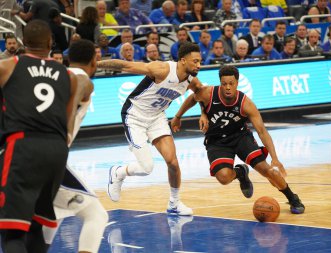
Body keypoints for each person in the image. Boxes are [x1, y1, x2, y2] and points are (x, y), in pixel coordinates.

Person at [171, 65, 305, 214]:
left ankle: (292, 197)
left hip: (240, 137)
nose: (227, 87)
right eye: (224, 84)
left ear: (237, 83)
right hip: (217, 141)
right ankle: (240, 173)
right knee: (223, 178)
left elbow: (262, 131)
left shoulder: (245, 103)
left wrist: (275, 158)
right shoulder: (209, 93)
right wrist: (178, 117)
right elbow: (194, 98)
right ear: (220, 83)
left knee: (269, 172)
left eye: (231, 84)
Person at [97, 42, 205, 215]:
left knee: (173, 162)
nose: (199, 65)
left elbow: (201, 93)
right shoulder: (162, 70)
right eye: (195, 61)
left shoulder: (191, 80)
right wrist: (96, 64)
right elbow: (127, 65)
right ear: (183, 60)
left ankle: (174, 203)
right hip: (134, 116)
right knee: (146, 168)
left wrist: (198, 114)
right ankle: (118, 172)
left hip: (157, 118)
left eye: (200, 61)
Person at [0, 19, 79, 253]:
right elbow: (68, 126)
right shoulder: (69, 76)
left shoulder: (8, 66)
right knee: (36, 226)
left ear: (24, 42)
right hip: (56, 150)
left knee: (12, 232)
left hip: (23, 145)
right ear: (50, 42)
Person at [43, 39, 108, 253]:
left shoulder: (55, 76)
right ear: (94, 61)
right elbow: (73, 98)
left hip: (22, 152)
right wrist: (66, 135)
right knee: (96, 215)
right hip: (50, 154)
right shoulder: (81, 79)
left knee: (52, 215)